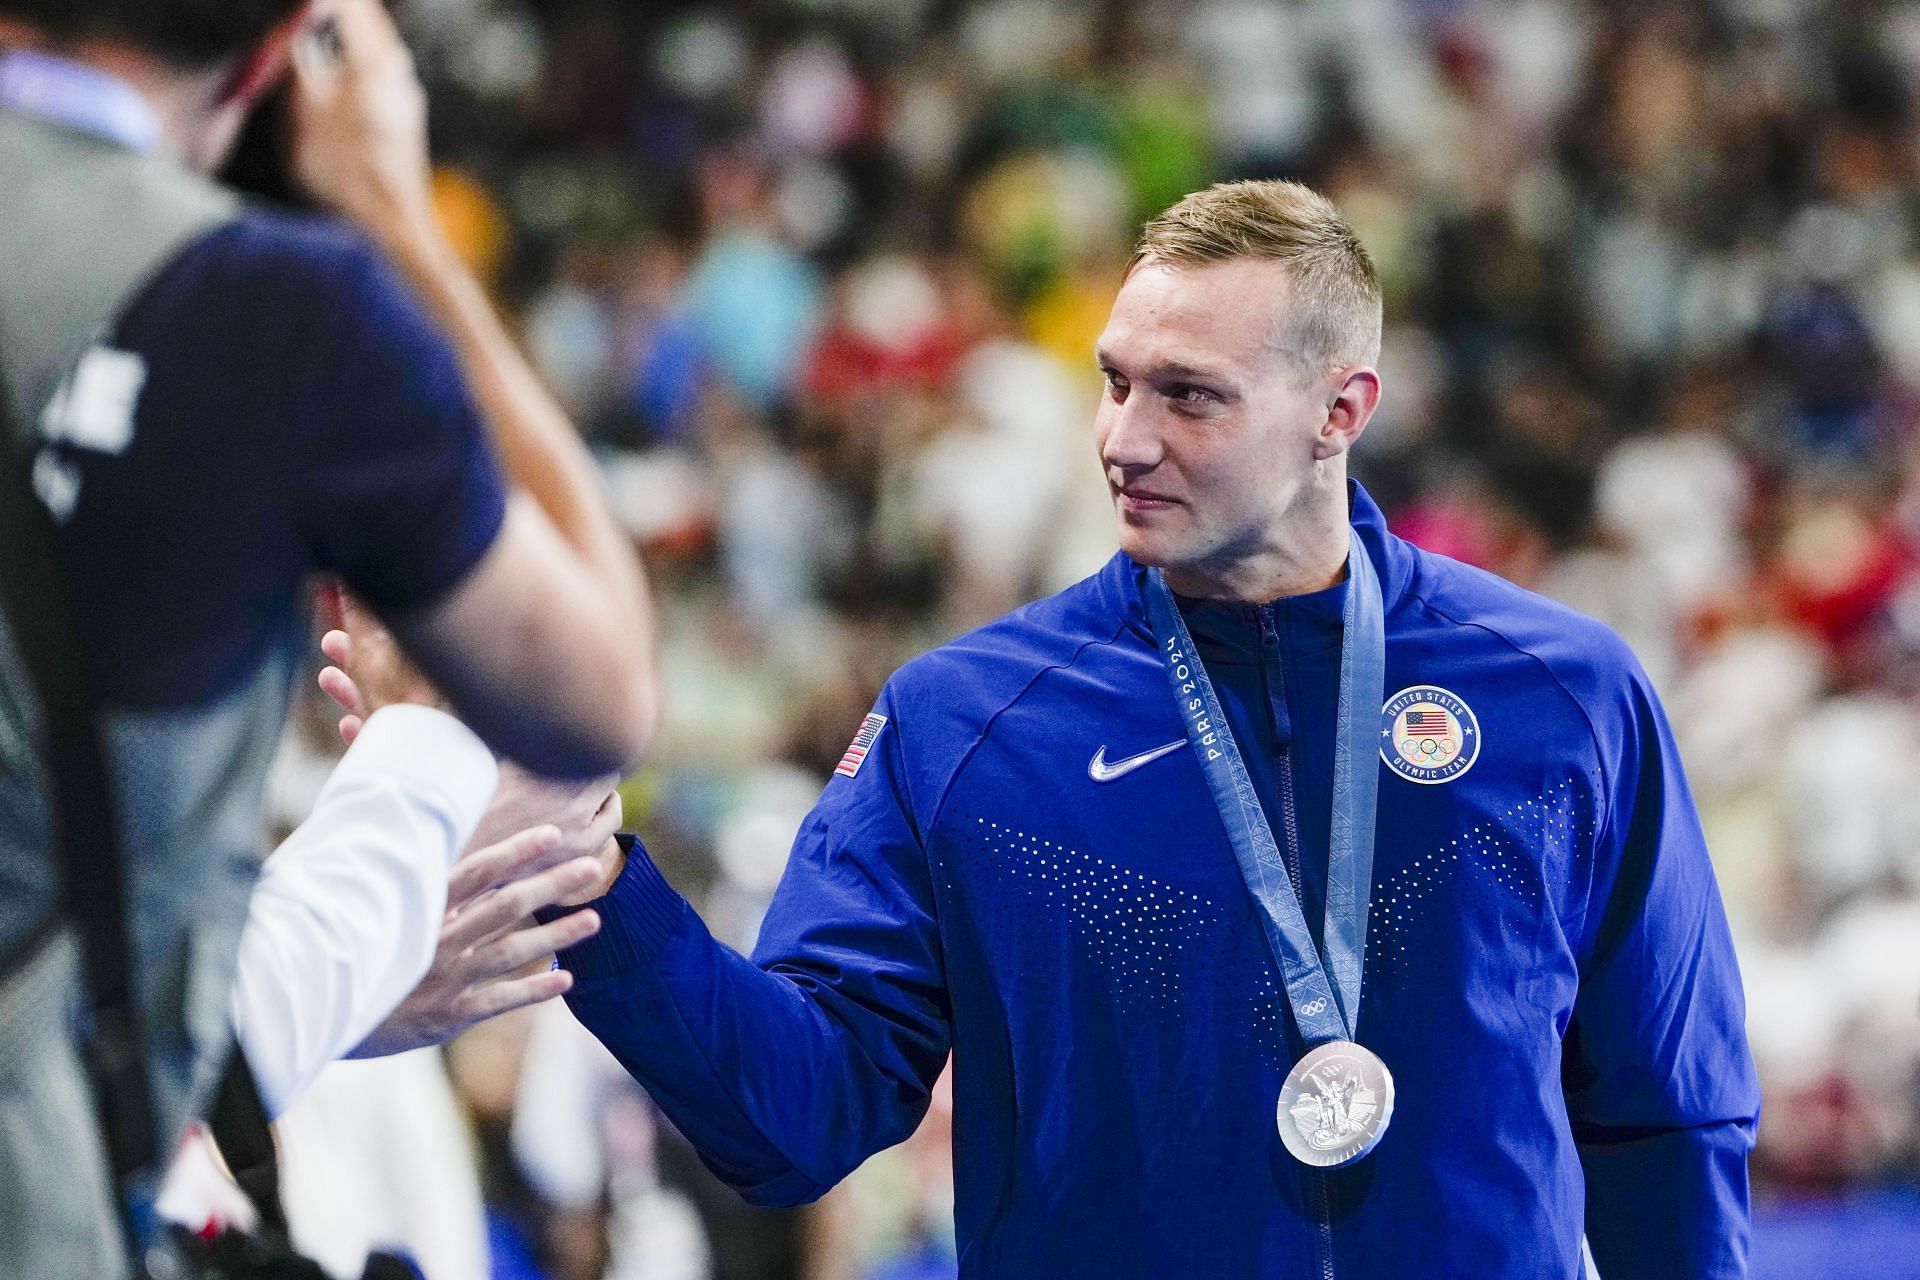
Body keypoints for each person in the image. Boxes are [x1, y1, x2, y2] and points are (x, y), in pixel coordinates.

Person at [333, 181, 1761, 1276]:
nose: (1124, 439)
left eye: (1190, 395)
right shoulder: (965, 727)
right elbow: (796, 1119)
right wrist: (585, 869)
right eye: (1115, 378)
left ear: (1344, 409)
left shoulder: (1562, 695)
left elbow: (1666, 1115)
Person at [0, 0, 659, 1271]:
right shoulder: (274, 305)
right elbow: (597, 690)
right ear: (278, 51)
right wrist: (392, 220)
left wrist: (282, 1012)